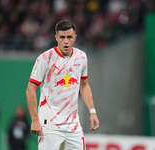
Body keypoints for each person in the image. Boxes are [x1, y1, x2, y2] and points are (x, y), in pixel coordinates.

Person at [26, 19, 100, 150]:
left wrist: (92, 111)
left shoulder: (81, 57)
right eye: (62, 37)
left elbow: (84, 85)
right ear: (56, 37)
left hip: (73, 124)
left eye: (69, 37)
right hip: (50, 124)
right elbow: (30, 89)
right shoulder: (45, 58)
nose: (66, 41)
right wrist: (35, 120)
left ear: (75, 37)